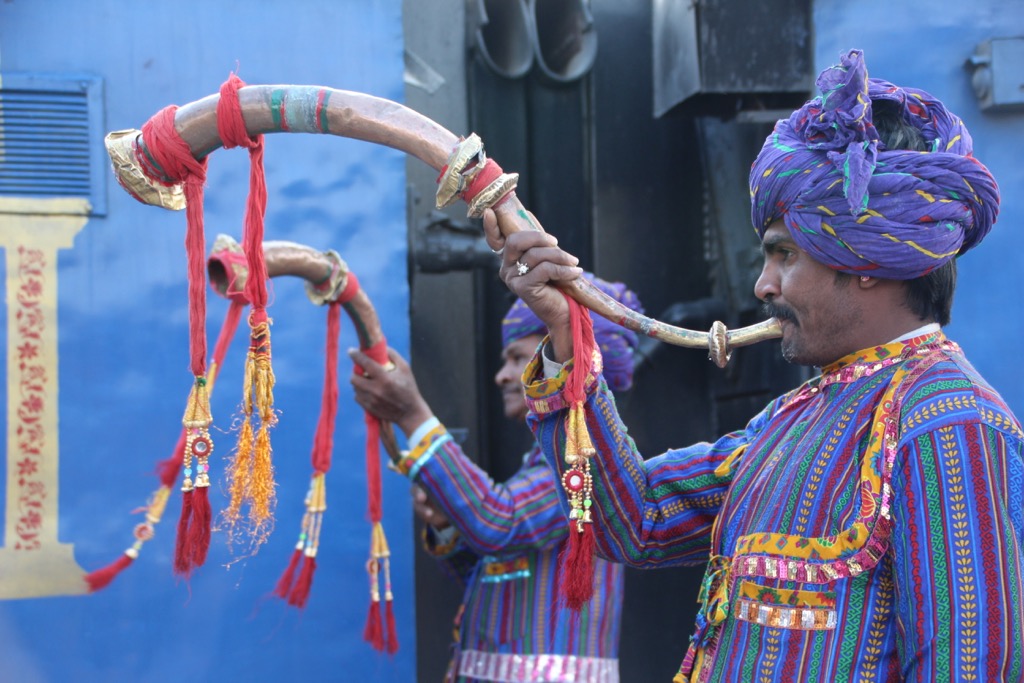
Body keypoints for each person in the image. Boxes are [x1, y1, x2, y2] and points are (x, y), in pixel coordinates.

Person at [483, 49, 1024, 682]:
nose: (763, 285)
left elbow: (972, 665)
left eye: (785, 255)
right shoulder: (792, 419)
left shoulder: (950, 424)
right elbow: (635, 522)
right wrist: (564, 331)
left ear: (867, 261)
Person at [349, 274, 644, 683]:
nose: (502, 376)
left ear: (565, 362)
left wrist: (411, 414)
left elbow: (498, 524)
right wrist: (445, 525)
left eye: (517, 357)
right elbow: (495, 569)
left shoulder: (585, 455)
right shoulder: (548, 457)